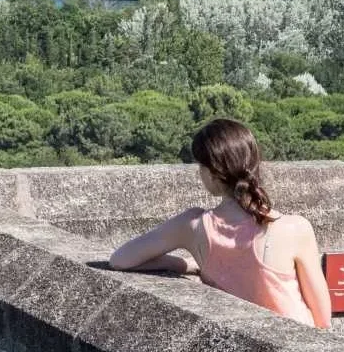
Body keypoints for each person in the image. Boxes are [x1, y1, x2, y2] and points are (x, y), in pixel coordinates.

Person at [109, 119, 332, 329]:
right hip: (299, 349)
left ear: (212, 173)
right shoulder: (293, 228)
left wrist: (183, 264)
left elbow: (121, 259)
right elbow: (323, 319)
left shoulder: (193, 225)